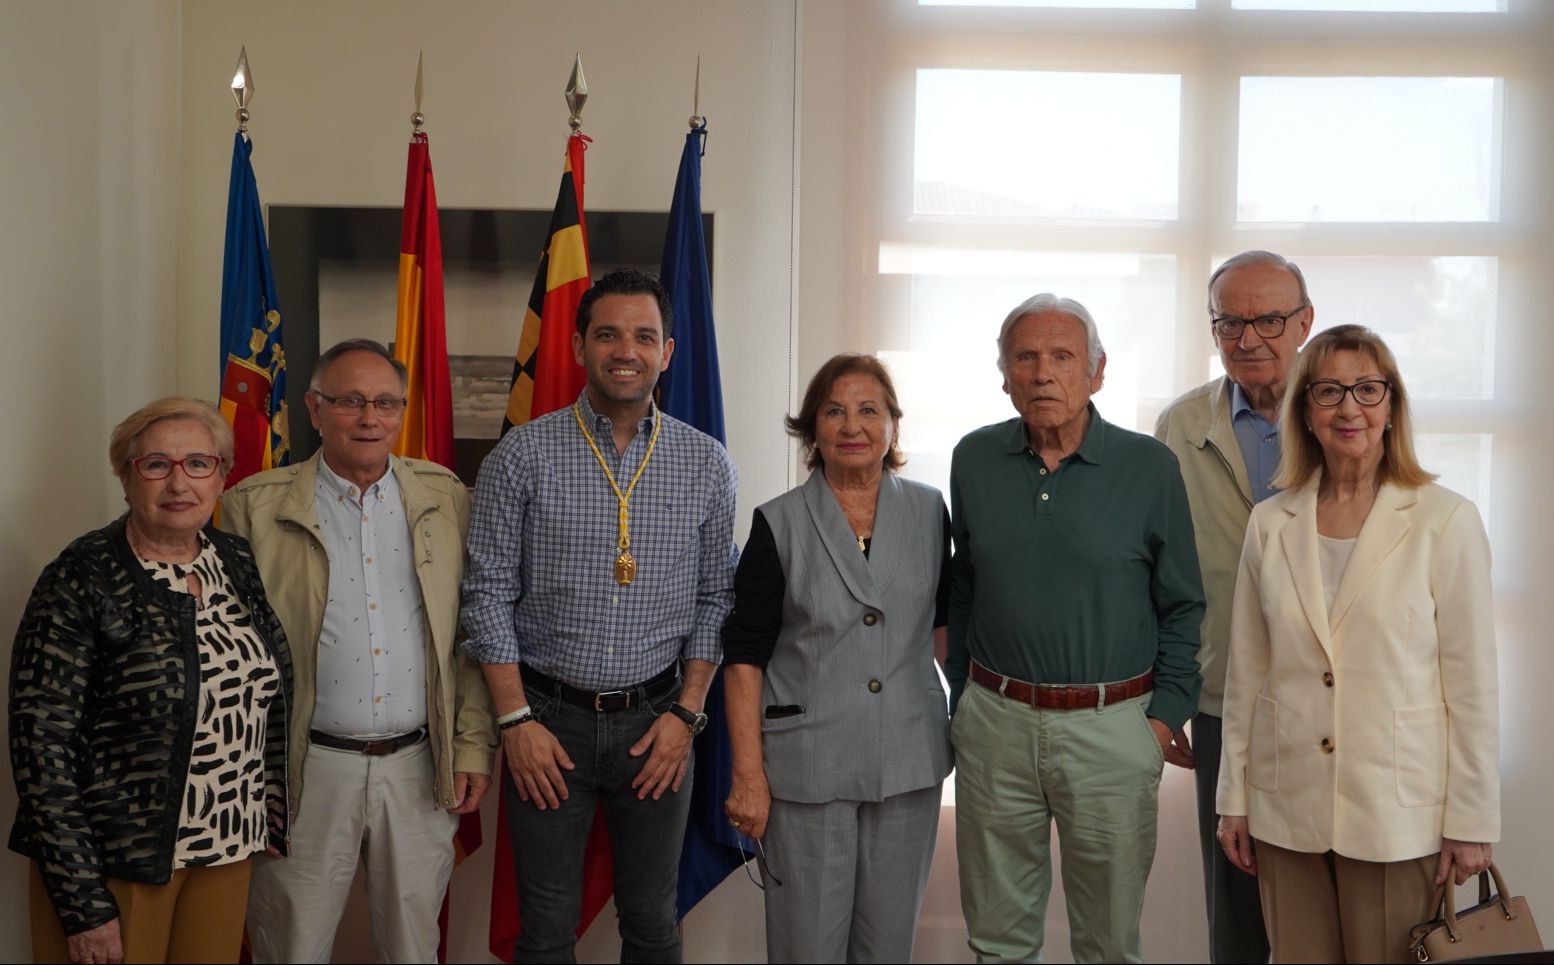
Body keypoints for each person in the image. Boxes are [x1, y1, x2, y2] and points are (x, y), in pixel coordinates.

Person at [461, 267, 739, 964]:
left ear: (667, 351)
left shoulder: (706, 463)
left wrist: (687, 716)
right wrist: (514, 722)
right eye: (608, 333)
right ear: (580, 345)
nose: (626, 349)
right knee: (546, 929)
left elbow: (716, 597)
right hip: (546, 723)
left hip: (659, 724)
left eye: (644, 336)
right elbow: (486, 593)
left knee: (652, 923)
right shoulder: (521, 455)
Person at [1216, 324, 1499, 963]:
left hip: (1398, 814)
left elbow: (1474, 685)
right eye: (1330, 392)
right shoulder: (1271, 524)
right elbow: (1247, 677)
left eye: (1369, 390)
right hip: (1287, 809)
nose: (1350, 408)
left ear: (1392, 407)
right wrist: (1234, 801)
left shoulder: (1444, 521)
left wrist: (1473, 821)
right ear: (1305, 412)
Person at [946, 293, 1204, 964]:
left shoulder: (1149, 467)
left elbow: (1182, 602)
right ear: (1004, 375)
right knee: (998, 942)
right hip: (995, 723)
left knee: (1109, 943)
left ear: (1097, 371)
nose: (1041, 373)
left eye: (1062, 357)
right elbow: (964, 584)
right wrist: (963, 699)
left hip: (1112, 728)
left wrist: (1161, 718)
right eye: (1025, 358)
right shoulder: (973, 458)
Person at [220, 338, 495, 963]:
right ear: (314, 410)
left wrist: (473, 744)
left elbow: (468, 637)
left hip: (420, 768)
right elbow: (227, 660)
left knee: (413, 949)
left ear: (402, 411)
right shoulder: (251, 508)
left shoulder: (445, 497)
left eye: (385, 403)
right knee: (291, 948)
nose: (369, 418)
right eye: (349, 401)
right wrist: (248, 779)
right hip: (302, 773)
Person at [9, 397, 290, 965]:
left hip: (228, 846)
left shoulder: (232, 558)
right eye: (157, 464)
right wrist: (82, 902)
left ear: (221, 475)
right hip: (118, 862)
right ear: (126, 476)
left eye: (198, 464)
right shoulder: (81, 574)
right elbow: (41, 745)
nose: (179, 482)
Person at [722, 353, 953, 963]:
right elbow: (744, 656)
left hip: (908, 764)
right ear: (812, 430)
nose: (852, 426)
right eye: (834, 411)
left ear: (892, 426)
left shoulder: (931, 512)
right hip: (806, 770)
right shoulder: (778, 522)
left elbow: (946, 630)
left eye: (868, 410)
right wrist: (748, 775)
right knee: (807, 949)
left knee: (886, 951)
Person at [1154, 250, 1314, 963]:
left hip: (1332, 696)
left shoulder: (1345, 410)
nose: (1248, 337)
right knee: (1236, 898)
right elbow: (1151, 572)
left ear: (1305, 322)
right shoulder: (1181, 424)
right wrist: (1166, 695)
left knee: (1328, 899)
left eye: (1269, 319)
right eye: (1230, 321)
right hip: (1222, 696)